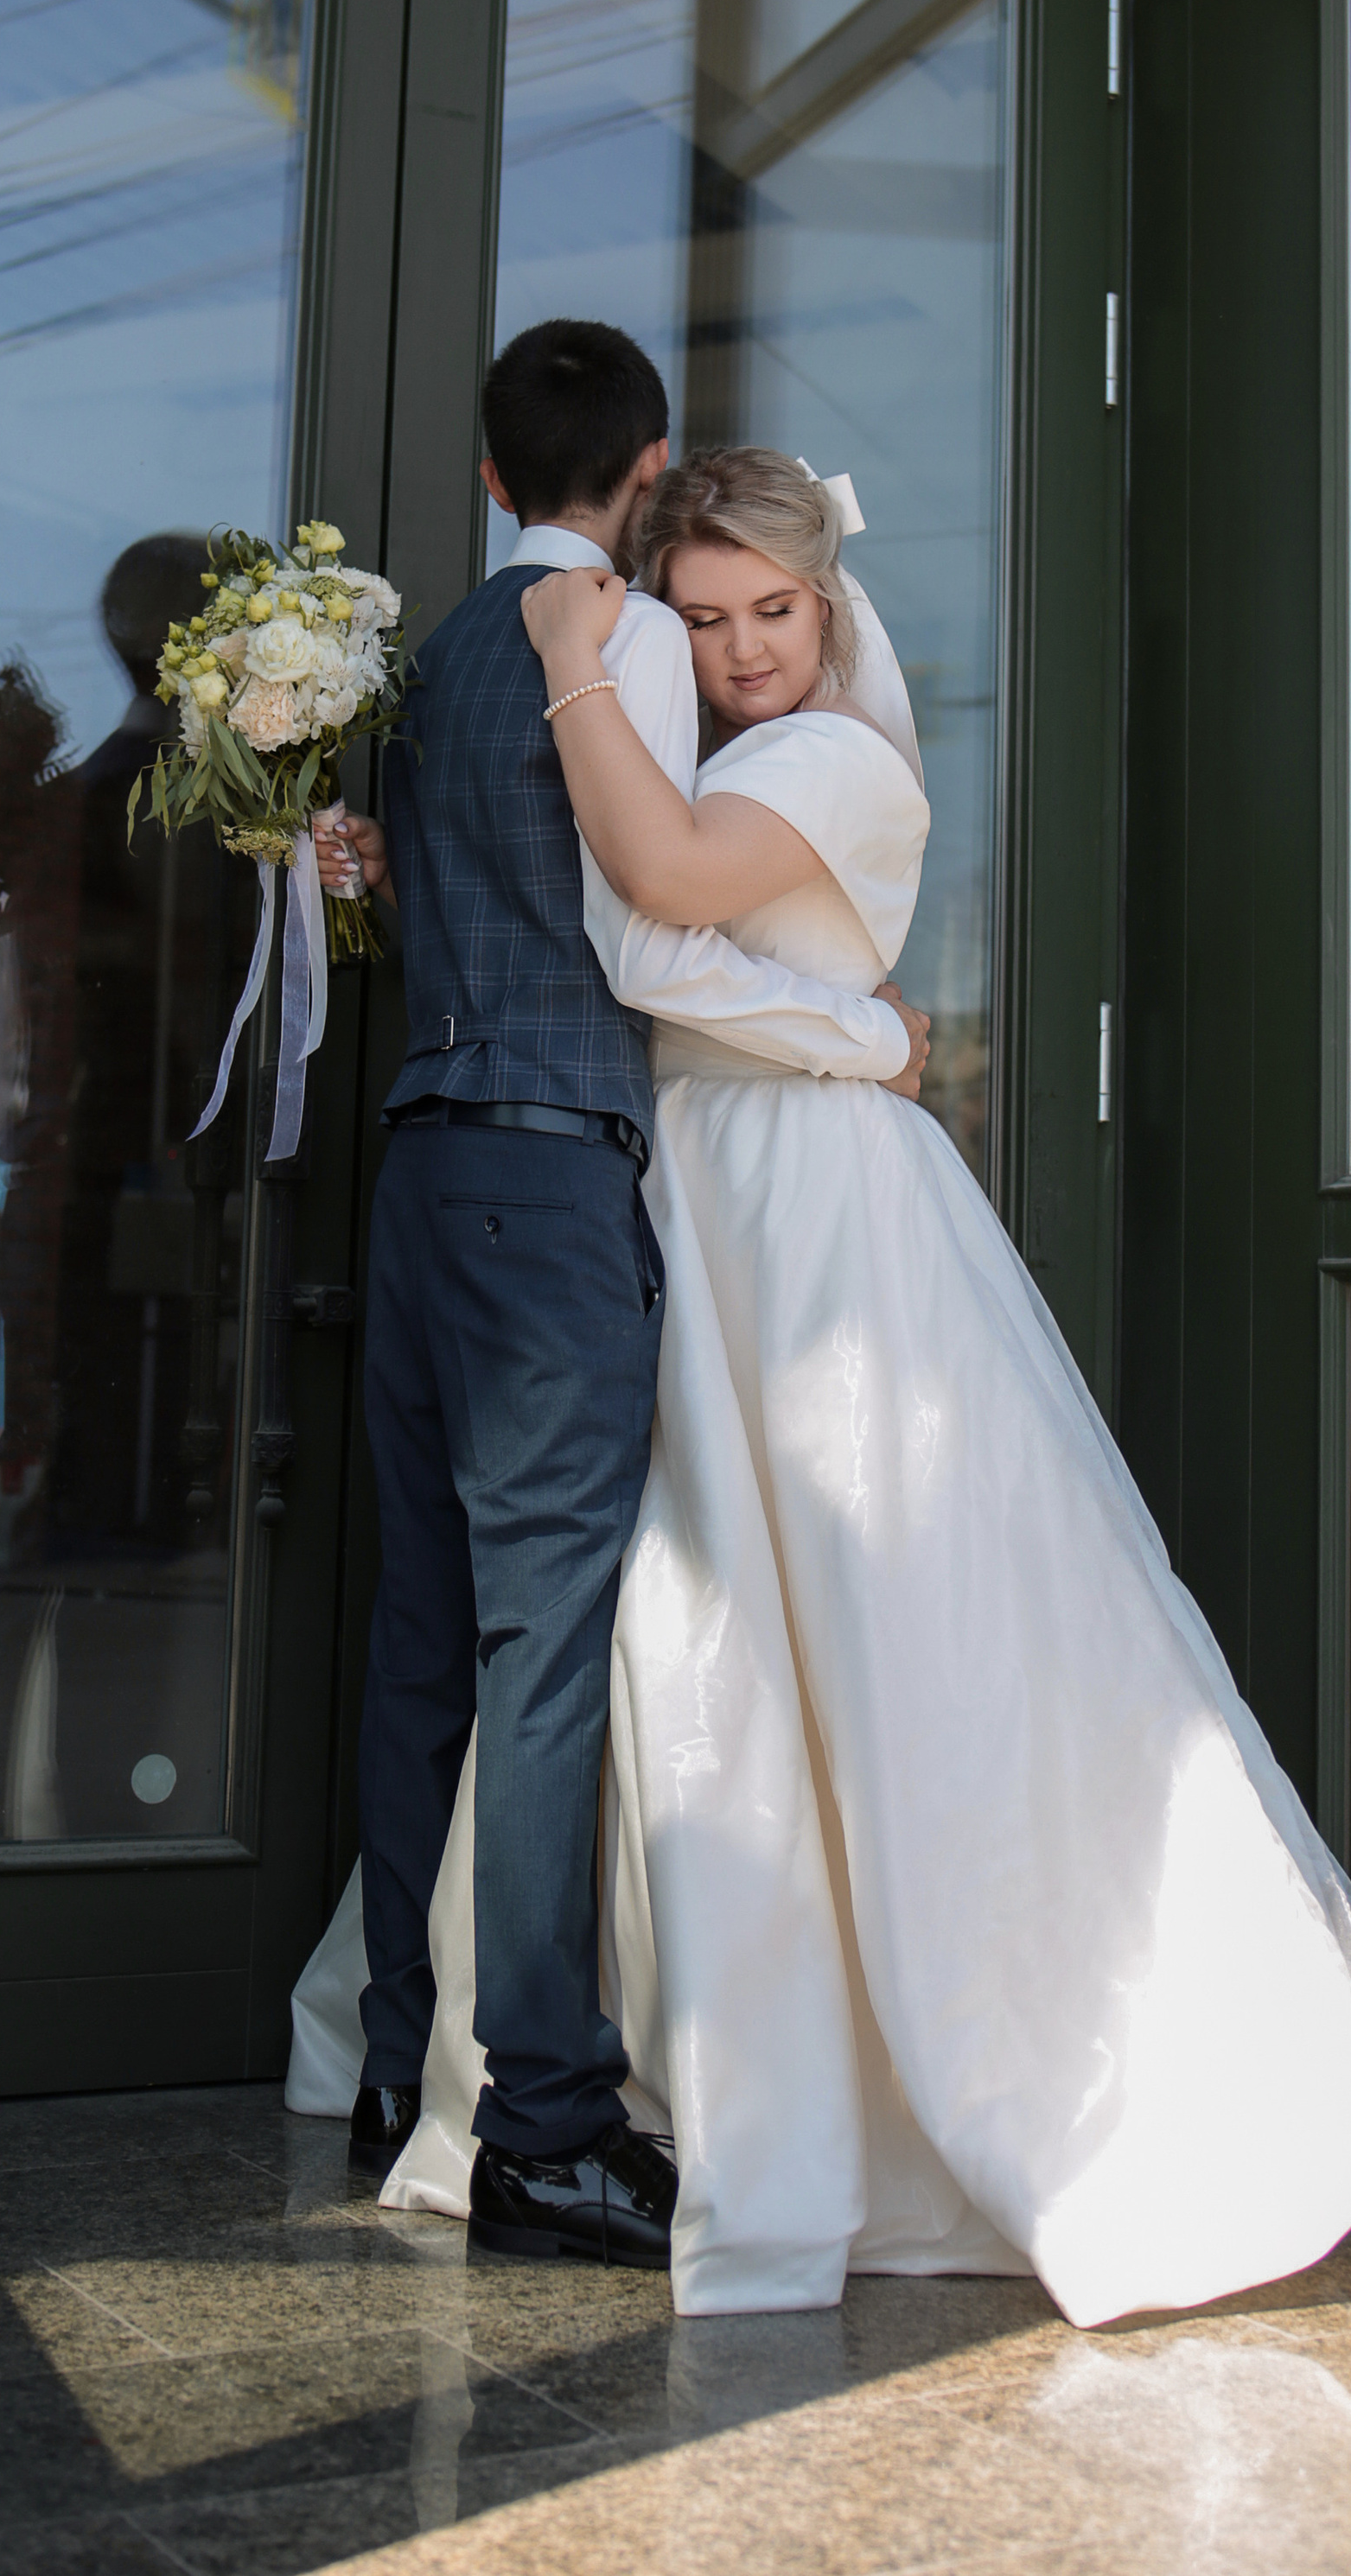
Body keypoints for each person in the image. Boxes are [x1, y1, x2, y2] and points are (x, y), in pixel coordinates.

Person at [328, 443, 1351, 2325]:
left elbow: (638, 931)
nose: (746, 647)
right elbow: (614, 934)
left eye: (774, 612)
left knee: (873, 1611)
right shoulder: (690, 746)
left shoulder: (830, 759)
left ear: (827, 610)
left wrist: (848, 1032)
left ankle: (942, 2038)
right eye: (703, 618)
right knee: (687, 1631)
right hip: (688, 1184)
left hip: (809, 1199)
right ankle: (683, 2037)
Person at [308, 329, 929, 2271]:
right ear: (644, 475)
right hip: (551, 1175)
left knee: (424, 1637)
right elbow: (630, 916)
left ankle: (396, 2066)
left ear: (490, 481)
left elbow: (479, 890)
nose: (727, 642)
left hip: (421, 1164)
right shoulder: (617, 645)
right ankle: (539, 2129)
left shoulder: (421, 669)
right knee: (544, 1654)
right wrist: (863, 1034)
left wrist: (367, 863)